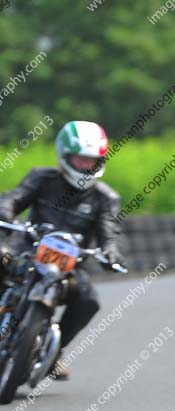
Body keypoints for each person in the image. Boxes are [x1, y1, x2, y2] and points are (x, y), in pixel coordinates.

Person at [0, 120, 124, 380]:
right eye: (80, 159)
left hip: (69, 268)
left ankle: (55, 352)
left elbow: (108, 230)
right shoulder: (42, 178)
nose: (85, 166)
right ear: (65, 155)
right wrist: (6, 212)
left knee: (89, 301)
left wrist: (110, 251)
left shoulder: (105, 198)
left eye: (91, 161)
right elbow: (14, 198)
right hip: (27, 252)